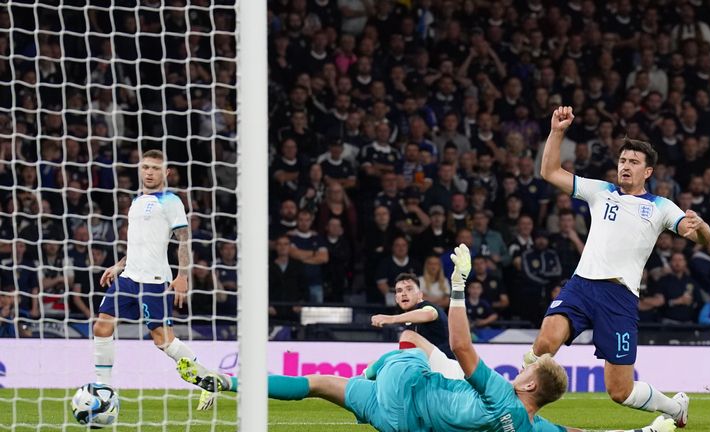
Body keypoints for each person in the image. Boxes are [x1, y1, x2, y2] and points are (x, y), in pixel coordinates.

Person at [178, 244, 677, 432]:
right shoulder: (530, 429)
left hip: (406, 388)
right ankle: (228, 388)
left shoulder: (503, 393)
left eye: (527, 368)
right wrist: (647, 431)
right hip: (400, 422)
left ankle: (227, 385)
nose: (522, 364)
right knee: (328, 384)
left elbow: (462, 350)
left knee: (336, 375)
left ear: (528, 385)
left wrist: (458, 287)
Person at [532, 107, 710, 428]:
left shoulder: (659, 207)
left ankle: (674, 409)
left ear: (648, 172)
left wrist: (700, 227)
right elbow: (549, 172)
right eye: (622, 160)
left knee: (620, 391)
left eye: (633, 162)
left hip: (619, 297)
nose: (625, 166)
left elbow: (701, 239)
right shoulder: (601, 192)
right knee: (546, 342)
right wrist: (557, 131)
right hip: (581, 286)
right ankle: (514, 410)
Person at [92, 150, 216, 403]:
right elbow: (139, 244)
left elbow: (183, 240)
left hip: (154, 281)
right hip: (128, 277)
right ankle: (103, 388)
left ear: (166, 172)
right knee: (102, 326)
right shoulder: (137, 202)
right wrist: (118, 265)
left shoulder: (171, 201)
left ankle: (208, 379)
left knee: (163, 341)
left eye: (155, 168)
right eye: (145, 167)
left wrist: (182, 276)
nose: (149, 172)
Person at [370, 272, 452, 358]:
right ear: (396, 299)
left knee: (408, 335)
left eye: (409, 289)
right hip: (427, 365)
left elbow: (429, 314)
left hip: (446, 362)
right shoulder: (407, 321)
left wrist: (391, 319)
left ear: (420, 295)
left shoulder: (428, 306)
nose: (403, 294)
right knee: (373, 364)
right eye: (399, 291)